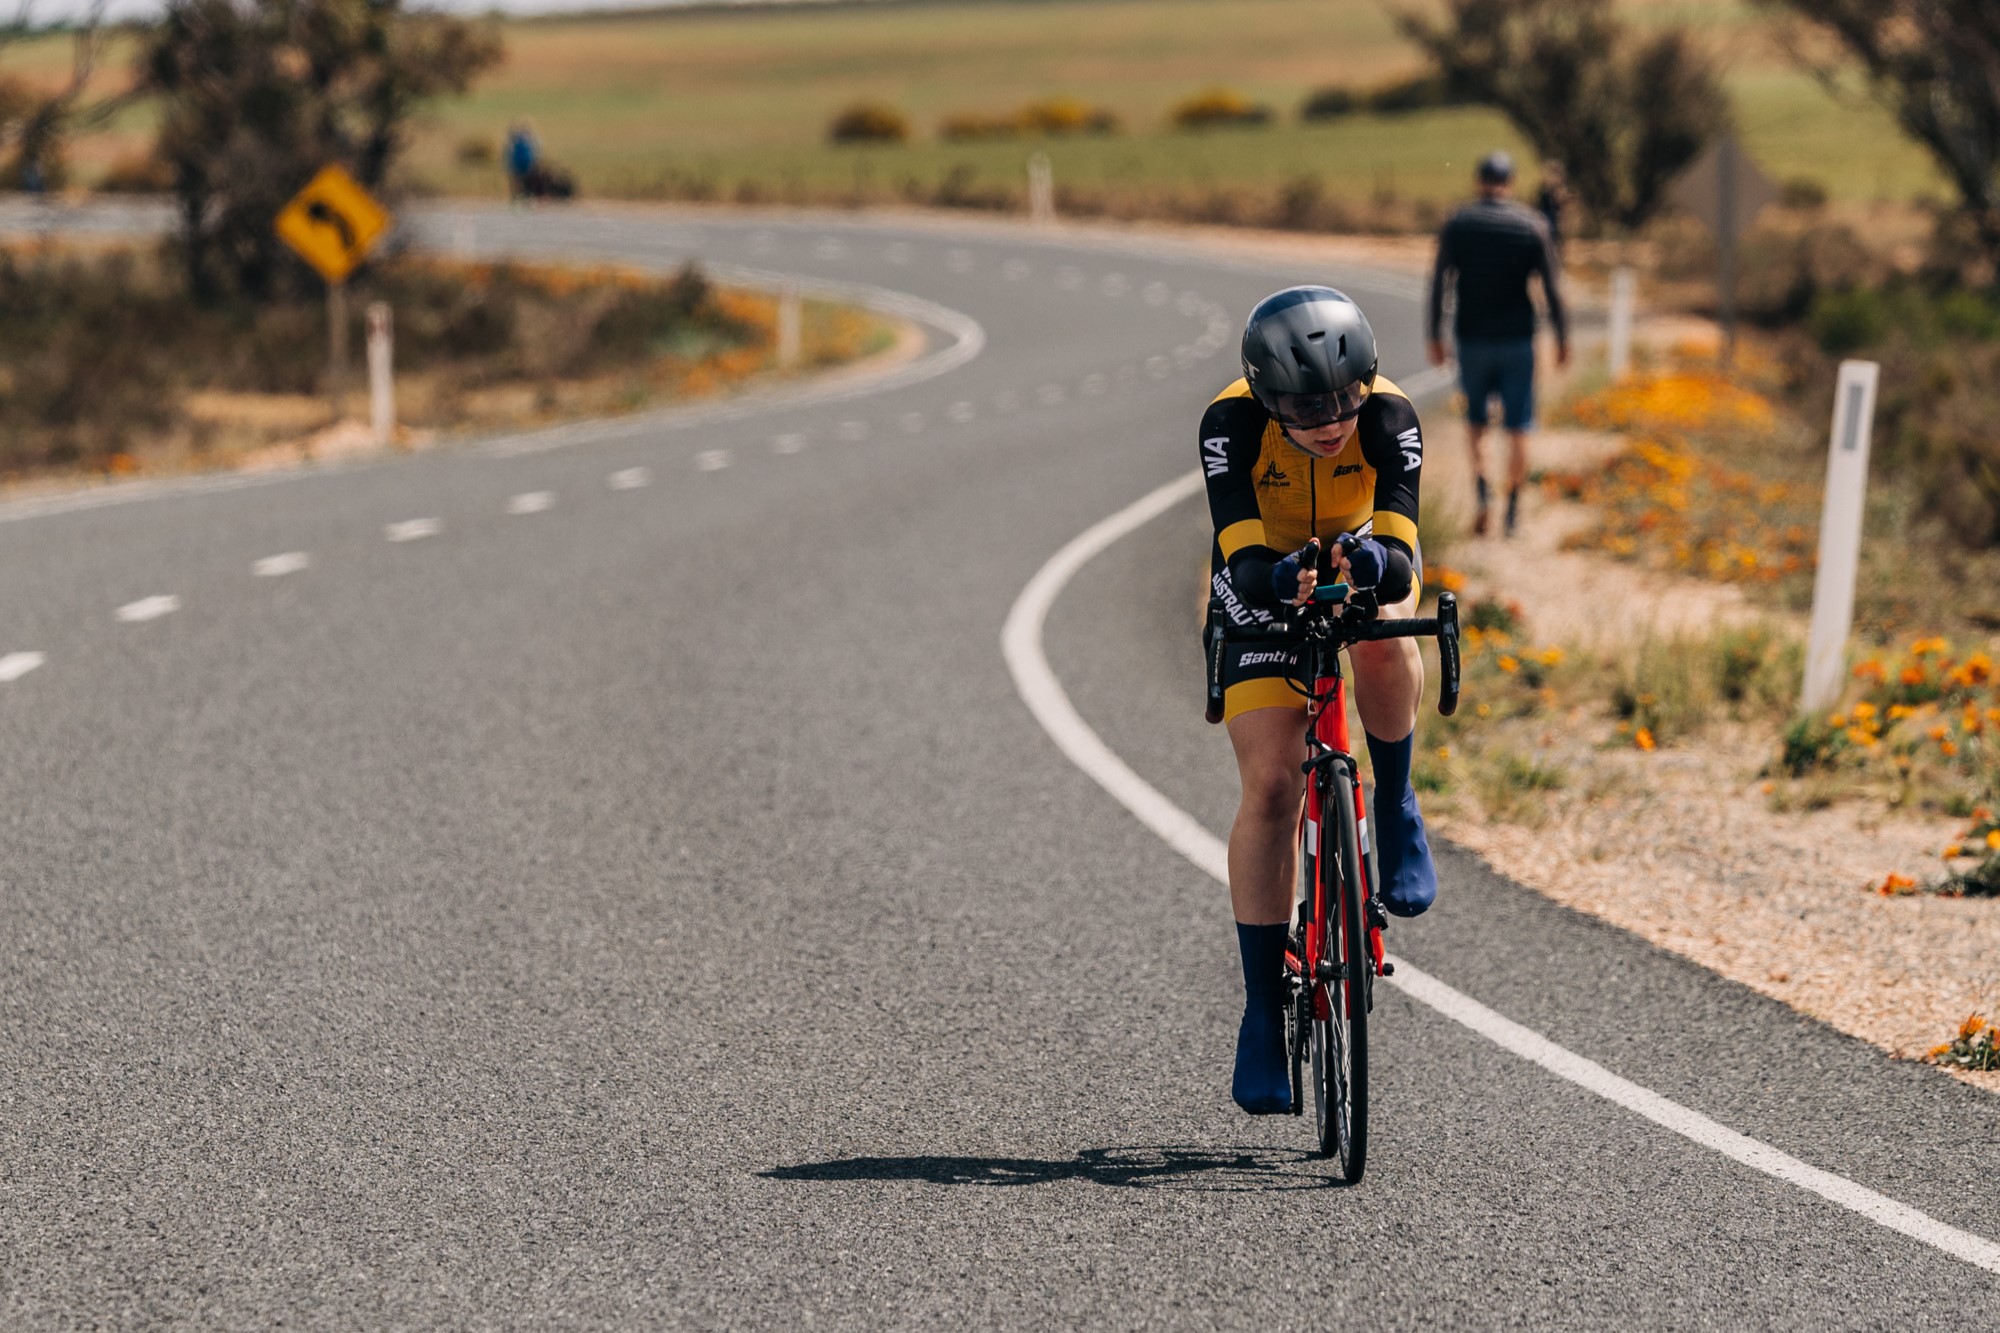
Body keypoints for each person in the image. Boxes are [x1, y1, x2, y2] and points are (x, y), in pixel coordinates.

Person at [1201, 285, 1435, 1115]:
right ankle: (1264, 1012)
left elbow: (1405, 550)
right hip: (1261, 581)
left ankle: (1397, 803)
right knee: (1270, 783)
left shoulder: (1391, 415)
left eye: (1345, 397)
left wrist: (1370, 568)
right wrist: (1277, 579)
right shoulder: (1228, 426)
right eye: (1307, 407)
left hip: (1358, 563)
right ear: (1268, 398)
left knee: (1387, 639)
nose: (1333, 420)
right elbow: (1235, 556)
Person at [1427, 150, 1568, 538]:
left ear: (1479, 181)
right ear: (1511, 183)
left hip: (1472, 338)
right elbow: (1553, 288)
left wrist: (1435, 333)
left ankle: (1483, 492)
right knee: (1519, 424)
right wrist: (1562, 338)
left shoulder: (1460, 223)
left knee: (1475, 421)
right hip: (1519, 339)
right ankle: (1513, 510)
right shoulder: (1531, 224)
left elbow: (1440, 281)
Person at [1536, 159, 1569, 254]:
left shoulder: (1560, 190)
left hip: (1555, 226)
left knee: (1556, 251)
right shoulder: (1544, 190)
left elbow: (1562, 205)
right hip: (1544, 224)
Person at [504, 120, 539, 203]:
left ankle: (527, 197)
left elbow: (533, 153)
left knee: (527, 182)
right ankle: (516, 198)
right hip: (518, 164)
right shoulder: (516, 141)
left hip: (525, 164)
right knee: (516, 182)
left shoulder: (527, 141)